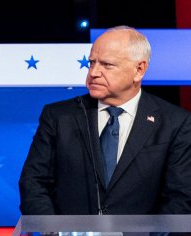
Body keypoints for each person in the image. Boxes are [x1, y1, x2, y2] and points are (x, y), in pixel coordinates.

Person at [18, 26, 191, 215]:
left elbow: (181, 198)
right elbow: (34, 183)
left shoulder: (175, 123)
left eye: (107, 65)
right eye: (92, 63)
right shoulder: (58, 117)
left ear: (139, 70)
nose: (93, 73)